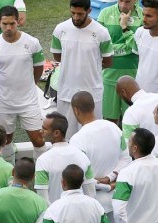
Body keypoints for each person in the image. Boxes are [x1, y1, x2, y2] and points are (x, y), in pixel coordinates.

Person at [0, 6, 46, 163]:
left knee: (38, 139)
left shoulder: (32, 43)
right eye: (5, 24)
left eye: (12, 23)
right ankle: (9, 175)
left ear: (18, 22)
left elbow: (38, 68)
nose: (8, 27)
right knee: (4, 140)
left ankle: (41, 175)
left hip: (28, 101)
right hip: (4, 101)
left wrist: (29, 84)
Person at [51, 0, 113, 139]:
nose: (76, 17)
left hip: (92, 94)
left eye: (80, 14)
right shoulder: (60, 29)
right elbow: (57, 55)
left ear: (89, 11)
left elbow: (108, 61)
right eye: (73, 13)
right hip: (66, 93)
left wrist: (90, 67)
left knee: (94, 137)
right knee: (66, 136)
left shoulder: (101, 32)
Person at [69, 92, 131, 223]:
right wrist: (111, 178)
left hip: (91, 203)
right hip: (116, 198)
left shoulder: (77, 140)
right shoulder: (114, 128)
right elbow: (126, 158)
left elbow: (80, 178)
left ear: (76, 110)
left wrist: (106, 182)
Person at [97, 0, 143, 124]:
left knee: (131, 120)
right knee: (109, 120)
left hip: (133, 78)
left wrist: (124, 27)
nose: (123, 5)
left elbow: (137, 46)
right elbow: (99, 45)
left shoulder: (144, 15)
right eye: (121, 0)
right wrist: (127, 48)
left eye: (127, 1)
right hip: (108, 76)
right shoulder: (105, 13)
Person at [34, 112, 95, 205]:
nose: (40, 131)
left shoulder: (42, 160)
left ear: (56, 133)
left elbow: (43, 201)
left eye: (44, 129)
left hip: (55, 216)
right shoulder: (83, 157)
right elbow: (91, 195)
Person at [135, 0, 158, 96]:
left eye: (149, 16)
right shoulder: (139, 32)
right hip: (139, 95)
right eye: (143, 15)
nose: (144, 19)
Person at [116, 75, 158, 142]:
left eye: (121, 96)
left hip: (148, 151)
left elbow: (128, 146)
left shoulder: (131, 112)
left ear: (124, 92)